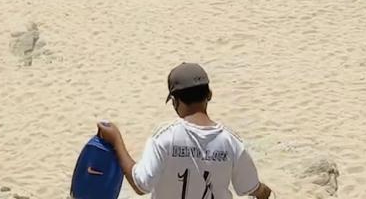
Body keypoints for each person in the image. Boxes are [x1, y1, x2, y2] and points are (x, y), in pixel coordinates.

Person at [97, 63, 273, 199]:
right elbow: (252, 187)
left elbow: (141, 185)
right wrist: (265, 192)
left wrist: (116, 141)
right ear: (209, 94)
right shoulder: (231, 141)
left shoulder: (165, 136)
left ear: (174, 101)